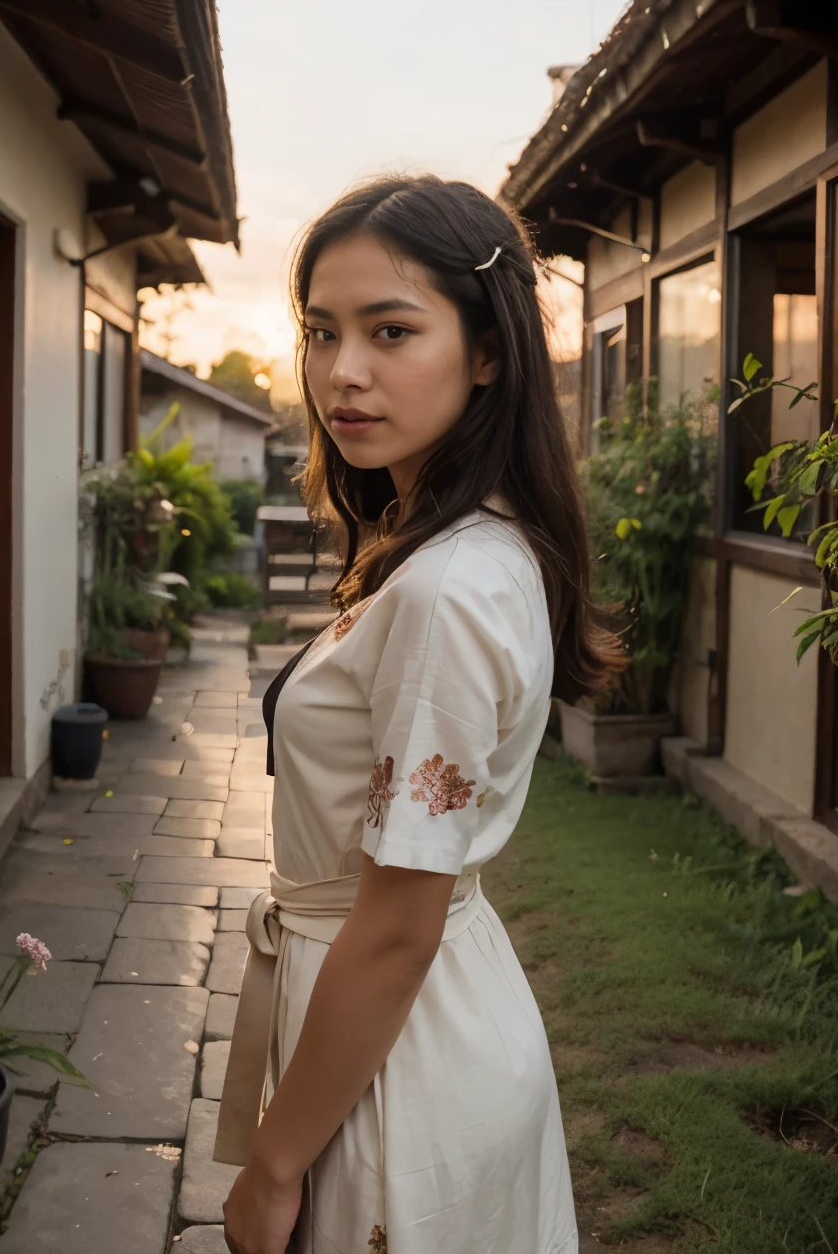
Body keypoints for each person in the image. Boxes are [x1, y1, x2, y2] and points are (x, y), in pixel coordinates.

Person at [218, 176, 622, 1254]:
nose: (340, 371)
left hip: (400, 1060)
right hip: (402, 1023)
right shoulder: (439, 548)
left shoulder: (450, 587)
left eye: (390, 330)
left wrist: (272, 1163)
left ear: (487, 350)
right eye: (320, 331)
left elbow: (397, 926)